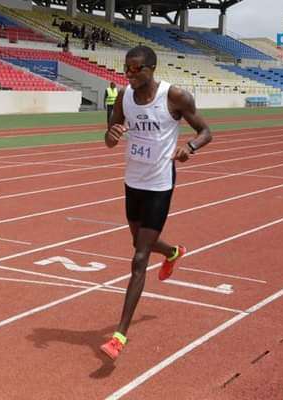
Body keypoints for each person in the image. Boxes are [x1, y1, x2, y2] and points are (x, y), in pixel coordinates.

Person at [99, 45, 212, 361]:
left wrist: (189, 146)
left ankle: (119, 335)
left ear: (151, 68)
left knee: (139, 257)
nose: (130, 75)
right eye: (127, 69)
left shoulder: (174, 97)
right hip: (132, 181)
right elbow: (108, 140)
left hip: (160, 184)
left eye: (137, 69)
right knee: (138, 240)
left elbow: (206, 131)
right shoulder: (123, 97)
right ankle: (174, 251)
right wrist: (113, 133)